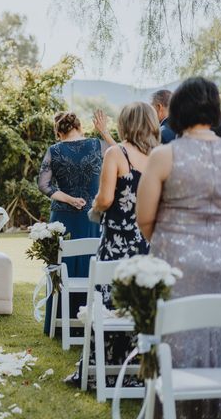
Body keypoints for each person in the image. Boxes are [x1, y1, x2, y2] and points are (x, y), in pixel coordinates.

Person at [137, 77, 221, 418]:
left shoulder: (164, 156)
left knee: (179, 341)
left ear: (177, 110)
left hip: (176, 266)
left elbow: (145, 218)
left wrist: (169, 244)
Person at [67, 102, 159, 387]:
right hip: (146, 244)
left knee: (108, 304)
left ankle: (100, 370)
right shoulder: (159, 157)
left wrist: (95, 207)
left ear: (125, 124)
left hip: (117, 243)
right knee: (139, 305)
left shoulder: (116, 154)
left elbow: (105, 199)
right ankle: (138, 369)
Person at [37, 110, 114, 335]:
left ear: (58, 133)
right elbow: (123, 156)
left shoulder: (54, 150)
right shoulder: (97, 145)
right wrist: (104, 132)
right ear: (79, 127)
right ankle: (91, 321)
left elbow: (44, 185)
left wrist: (69, 198)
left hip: (64, 217)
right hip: (92, 216)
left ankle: (59, 323)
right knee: (91, 262)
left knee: (64, 265)